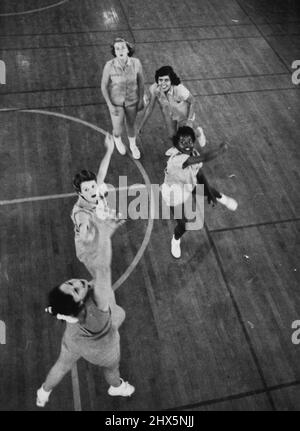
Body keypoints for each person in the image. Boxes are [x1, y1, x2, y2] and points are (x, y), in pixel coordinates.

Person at [36, 277, 134, 407]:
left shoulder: (68, 309)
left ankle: (43, 393)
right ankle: (117, 387)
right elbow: (119, 315)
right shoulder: (98, 312)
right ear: (80, 305)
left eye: (70, 283)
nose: (78, 283)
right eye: (76, 290)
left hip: (73, 339)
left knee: (61, 365)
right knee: (111, 370)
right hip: (100, 350)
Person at [161, 126, 238, 258]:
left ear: (194, 142)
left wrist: (209, 193)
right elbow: (206, 157)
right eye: (182, 142)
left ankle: (221, 198)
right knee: (183, 225)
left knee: (208, 189)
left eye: (190, 141)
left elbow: (200, 175)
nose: (186, 144)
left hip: (188, 184)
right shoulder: (177, 159)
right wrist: (220, 150)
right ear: (176, 144)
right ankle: (175, 240)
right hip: (174, 194)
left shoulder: (194, 154)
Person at [71, 134, 124, 308]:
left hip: (98, 237)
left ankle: (98, 290)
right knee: (102, 276)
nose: (93, 190)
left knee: (103, 273)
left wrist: (109, 150)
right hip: (89, 250)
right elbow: (85, 234)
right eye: (87, 189)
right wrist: (104, 227)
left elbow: (101, 172)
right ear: (79, 193)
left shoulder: (93, 189)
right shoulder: (81, 214)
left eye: (93, 186)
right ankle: (105, 306)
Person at [138, 65, 206, 149]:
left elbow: (193, 101)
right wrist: (141, 125)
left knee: (185, 136)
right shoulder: (154, 88)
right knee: (172, 136)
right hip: (169, 113)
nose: (163, 83)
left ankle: (198, 132)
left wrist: (190, 121)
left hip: (183, 114)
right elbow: (150, 108)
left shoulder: (179, 89)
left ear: (171, 80)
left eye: (166, 80)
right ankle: (177, 148)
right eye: (160, 80)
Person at [101, 38, 145, 160]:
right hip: (116, 103)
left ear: (128, 49)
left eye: (123, 47)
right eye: (117, 48)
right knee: (117, 128)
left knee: (131, 124)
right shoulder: (109, 66)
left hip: (132, 100)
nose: (120, 50)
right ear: (114, 51)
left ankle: (133, 145)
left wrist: (141, 99)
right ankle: (117, 140)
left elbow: (141, 82)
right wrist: (109, 105)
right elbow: (103, 86)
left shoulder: (136, 63)